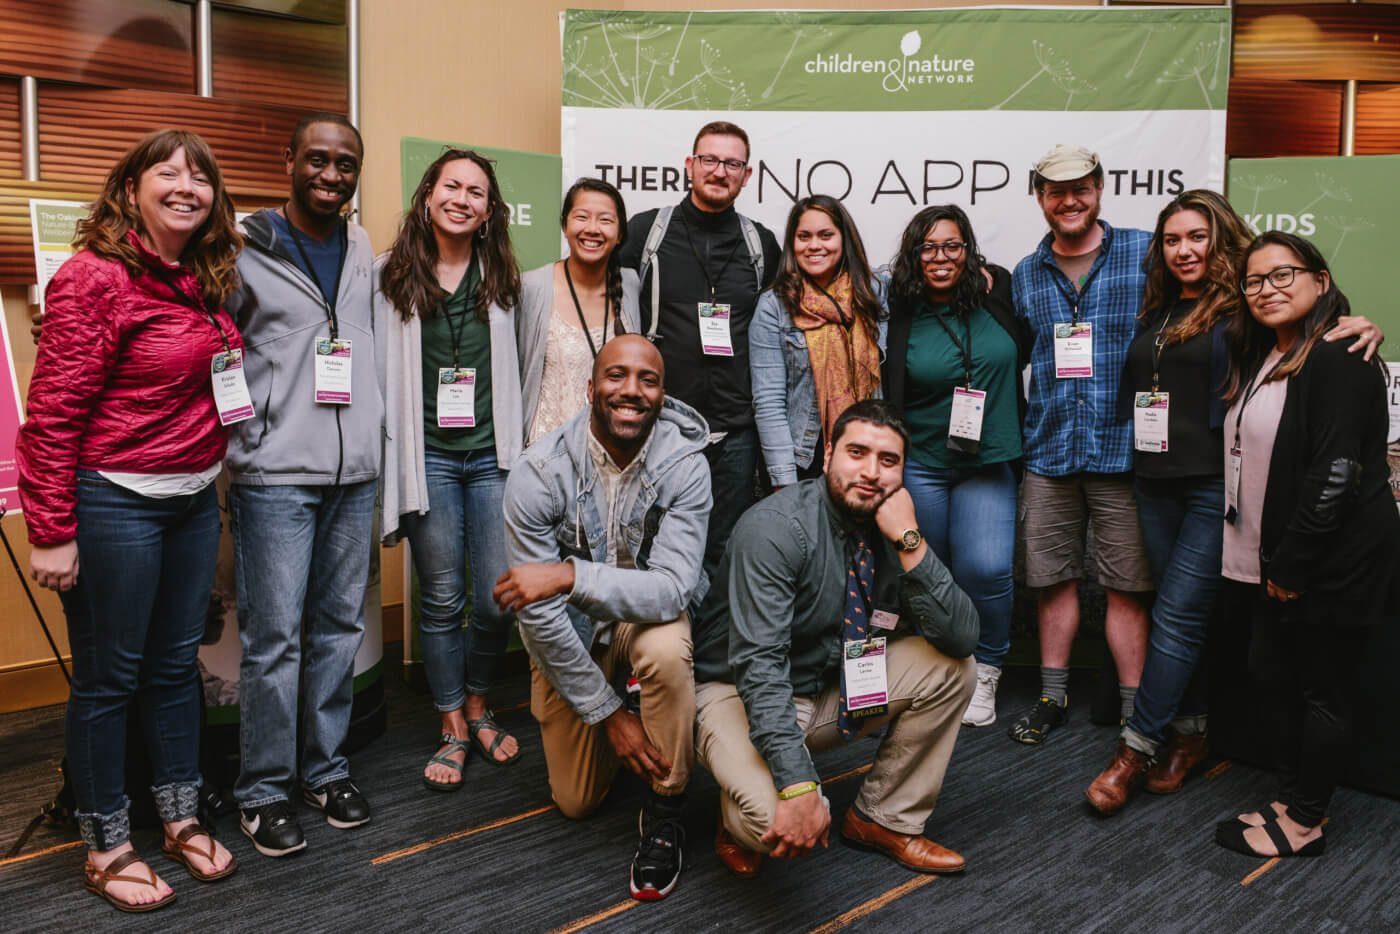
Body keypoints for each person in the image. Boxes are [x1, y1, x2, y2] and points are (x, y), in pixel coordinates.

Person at [1086, 192, 1384, 815]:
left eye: (1197, 236)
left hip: (1210, 489)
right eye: (1171, 240)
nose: (1183, 249)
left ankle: (1134, 748)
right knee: (1180, 616)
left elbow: (1307, 331)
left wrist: (1355, 322)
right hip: (1154, 481)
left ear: (1221, 240)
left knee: (1177, 618)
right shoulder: (1160, 309)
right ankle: (1190, 735)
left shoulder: (1243, 311)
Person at [17, 128, 242, 910]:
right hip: (114, 500)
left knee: (175, 666)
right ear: (131, 187)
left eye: (201, 176)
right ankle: (107, 843)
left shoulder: (201, 277)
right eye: (168, 172)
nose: (187, 185)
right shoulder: (94, 277)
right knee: (110, 678)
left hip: (188, 500)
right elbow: (51, 415)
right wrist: (51, 527)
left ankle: (179, 818)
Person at [692, 400, 978, 878]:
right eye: (857, 453)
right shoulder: (776, 529)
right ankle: (733, 807)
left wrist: (909, 539)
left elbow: (962, 636)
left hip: (825, 683)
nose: (871, 472)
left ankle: (882, 819)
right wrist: (800, 787)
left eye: (888, 461)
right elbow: (759, 668)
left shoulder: (894, 529)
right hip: (735, 692)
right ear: (828, 454)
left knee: (953, 670)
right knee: (764, 822)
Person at [494, 335, 711, 900]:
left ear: (663, 395)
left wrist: (569, 575)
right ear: (591, 388)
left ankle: (667, 807)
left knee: (666, 648)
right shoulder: (538, 472)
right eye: (616, 376)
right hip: (571, 633)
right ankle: (642, 712)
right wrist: (611, 714)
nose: (631, 391)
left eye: (648, 380)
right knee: (576, 802)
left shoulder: (687, 465)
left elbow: (671, 591)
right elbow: (538, 620)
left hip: (645, 621)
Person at [1213, 232, 1399, 858]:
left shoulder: (1339, 353)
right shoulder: (1268, 351)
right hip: (1277, 555)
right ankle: (1291, 798)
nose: (1267, 289)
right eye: (1255, 280)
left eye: (1283, 275)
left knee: (1322, 689)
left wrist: (1292, 566)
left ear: (1321, 280)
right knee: (1277, 678)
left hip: (1329, 559)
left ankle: (1305, 822)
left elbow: (1337, 475)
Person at [226, 112, 380, 855]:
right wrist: (242, 436)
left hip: (353, 475)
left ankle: (324, 769)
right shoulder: (244, 247)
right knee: (274, 639)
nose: (330, 174)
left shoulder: (361, 245)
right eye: (316, 159)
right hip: (276, 476)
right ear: (287, 158)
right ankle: (261, 790)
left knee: (339, 630)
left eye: (345, 164)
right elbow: (210, 348)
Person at [380, 149, 525, 790]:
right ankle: (453, 722)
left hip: (493, 457)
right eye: (452, 186)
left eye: (477, 192)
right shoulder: (390, 276)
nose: (462, 198)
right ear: (428, 194)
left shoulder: (507, 280)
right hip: (430, 458)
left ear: (490, 210)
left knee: (497, 599)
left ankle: (478, 697)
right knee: (440, 599)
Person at [1007, 143, 1153, 744]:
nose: (1069, 201)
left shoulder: (1147, 252)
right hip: (1049, 452)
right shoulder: (1024, 274)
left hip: (1123, 450)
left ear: (1099, 188)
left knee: (1127, 584)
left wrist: (1339, 318)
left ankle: (1132, 707)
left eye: (1081, 188)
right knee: (1052, 581)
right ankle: (1052, 696)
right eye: (1056, 191)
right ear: (1040, 197)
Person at [617, 120, 781, 592]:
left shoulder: (761, 244)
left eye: (732, 163)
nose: (719, 171)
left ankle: (705, 658)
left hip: (736, 432)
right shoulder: (647, 232)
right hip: (663, 427)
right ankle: (653, 658)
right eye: (709, 159)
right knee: (652, 544)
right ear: (690, 166)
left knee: (722, 550)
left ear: (747, 176)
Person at [883, 205, 1030, 728]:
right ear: (913, 254)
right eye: (928, 247)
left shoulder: (1002, 292)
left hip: (989, 461)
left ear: (969, 250)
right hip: (922, 461)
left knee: (987, 569)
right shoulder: (898, 307)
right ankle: (942, 670)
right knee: (928, 571)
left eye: (952, 245)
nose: (940, 257)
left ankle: (987, 668)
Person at [749, 194, 885, 488]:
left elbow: (922, 272)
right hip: (803, 462)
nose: (814, 246)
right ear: (792, 243)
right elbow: (769, 403)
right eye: (803, 236)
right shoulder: (774, 306)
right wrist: (785, 483)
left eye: (826, 235)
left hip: (869, 457)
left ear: (844, 238)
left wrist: (985, 270)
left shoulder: (872, 294)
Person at [519, 177, 640, 444]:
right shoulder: (531, 287)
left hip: (611, 450)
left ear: (620, 233)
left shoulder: (630, 286)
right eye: (581, 217)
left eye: (606, 220)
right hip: (545, 453)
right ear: (564, 225)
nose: (592, 229)